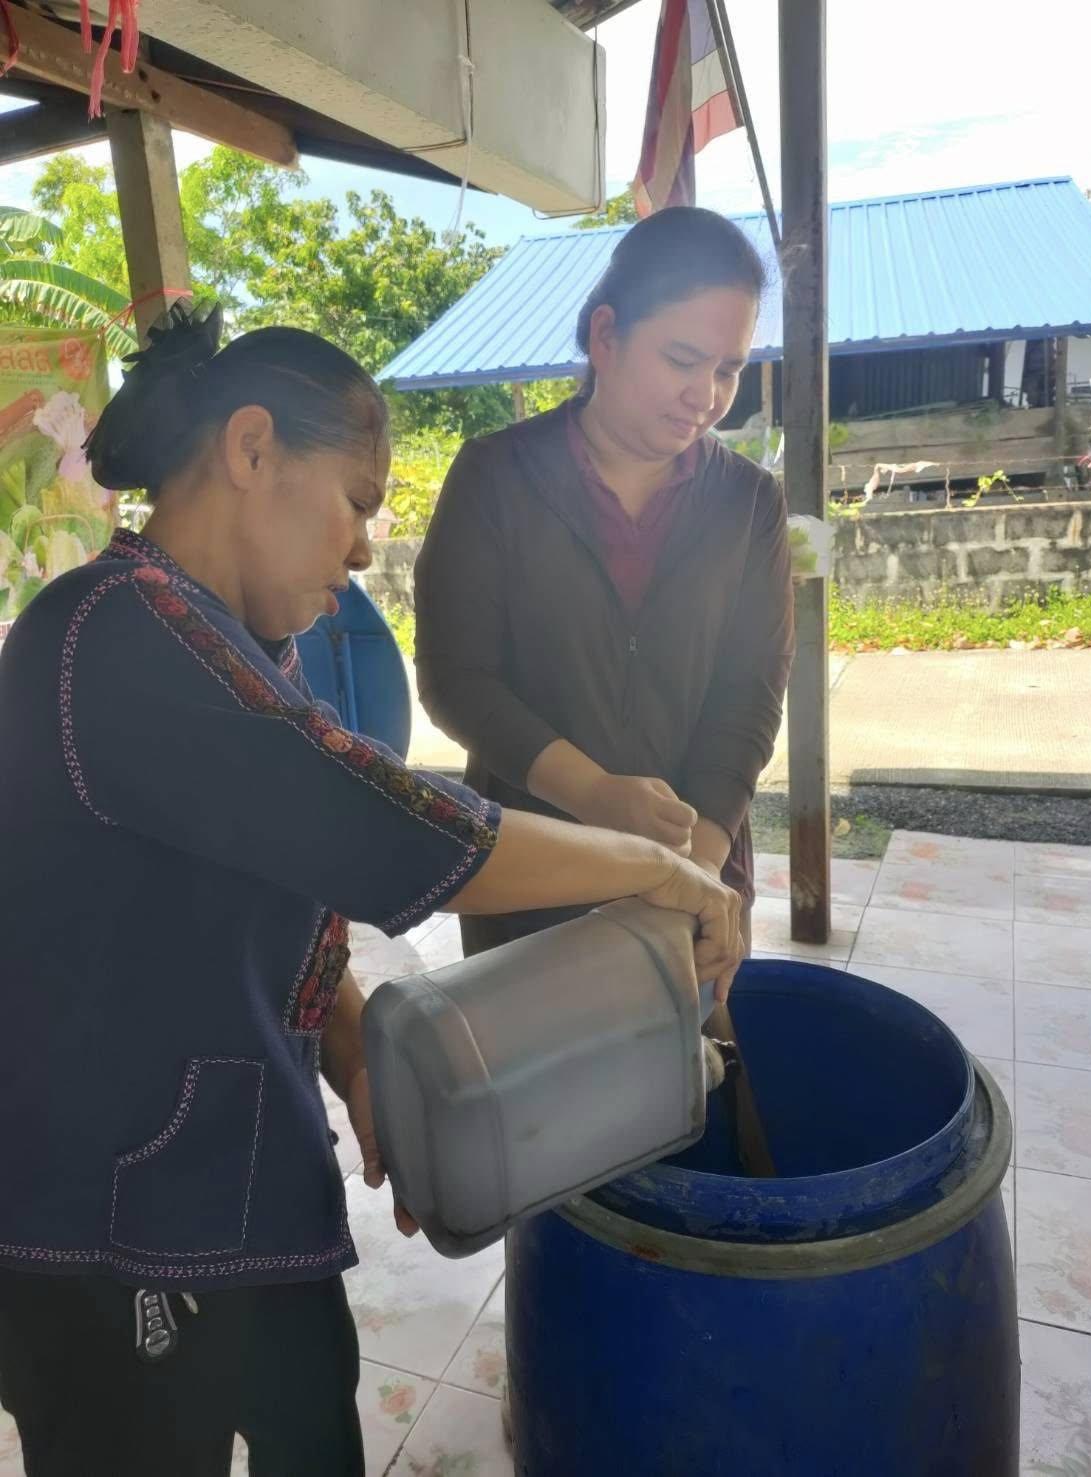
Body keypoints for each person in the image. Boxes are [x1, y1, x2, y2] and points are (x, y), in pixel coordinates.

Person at [0, 302, 742, 1477]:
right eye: (357, 499)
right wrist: (659, 868)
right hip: (116, 1222)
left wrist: (349, 1046)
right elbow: (379, 822)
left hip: (243, 1175)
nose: (360, 549)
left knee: (313, 1430)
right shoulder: (110, 637)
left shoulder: (231, 641)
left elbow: (277, 880)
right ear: (252, 451)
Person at [415, 206, 795, 961]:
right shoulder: (497, 476)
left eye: (728, 369)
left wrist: (698, 866)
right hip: (533, 871)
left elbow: (750, 691)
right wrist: (592, 792)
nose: (708, 395)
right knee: (537, 1066)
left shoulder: (749, 502)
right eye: (683, 359)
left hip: (698, 861)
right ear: (605, 336)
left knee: (688, 1068)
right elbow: (457, 678)